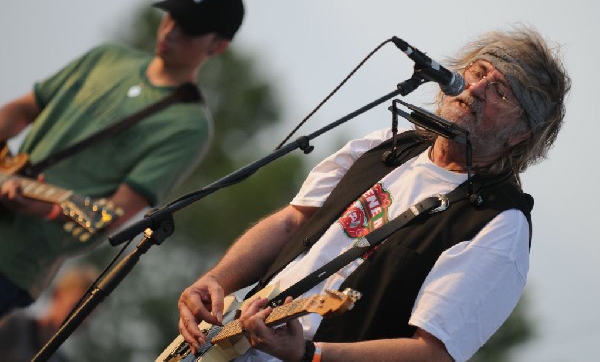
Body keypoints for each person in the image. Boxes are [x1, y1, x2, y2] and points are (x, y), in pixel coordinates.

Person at [176, 26, 571, 362]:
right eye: (478, 71)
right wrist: (215, 281)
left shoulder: (500, 224)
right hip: (231, 343)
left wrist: (310, 354)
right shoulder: (387, 145)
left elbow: (432, 353)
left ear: (521, 133)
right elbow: (292, 221)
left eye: (501, 92)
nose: (477, 88)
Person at [0, 0, 244, 319]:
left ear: (218, 46)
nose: (170, 32)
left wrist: (44, 207)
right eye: (171, 17)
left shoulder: (189, 127)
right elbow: (24, 109)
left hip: (13, 266)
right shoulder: (107, 57)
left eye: (189, 28)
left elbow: (111, 214)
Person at [0, 264, 99, 362]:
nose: (82, 317)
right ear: (57, 295)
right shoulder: (12, 326)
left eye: (89, 313)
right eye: (76, 305)